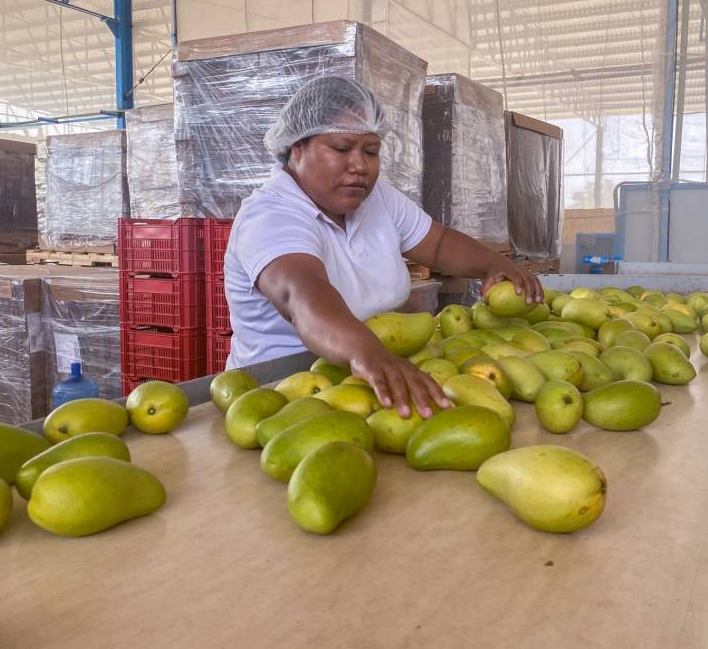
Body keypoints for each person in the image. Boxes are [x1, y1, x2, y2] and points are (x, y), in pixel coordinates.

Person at [223, 75, 543, 419]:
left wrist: (495, 264)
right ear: (297, 149)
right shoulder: (271, 214)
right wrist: (368, 353)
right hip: (277, 398)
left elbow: (437, 244)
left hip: (367, 382)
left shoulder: (377, 200)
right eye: (342, 149)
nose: (360, 165)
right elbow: (300, 295)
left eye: (371, 151)